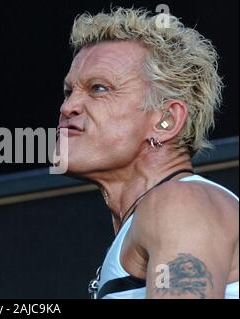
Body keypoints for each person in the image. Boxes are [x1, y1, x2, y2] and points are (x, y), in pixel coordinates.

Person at [56, 7, 239, 299]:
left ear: (165, 120)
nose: (68, 107)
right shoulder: (157, 214)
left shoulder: (180, 202)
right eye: (69, 92)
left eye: (99, 89)